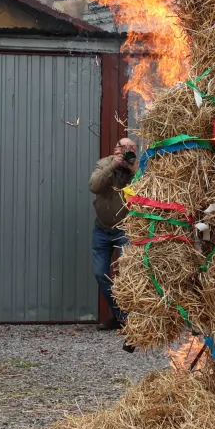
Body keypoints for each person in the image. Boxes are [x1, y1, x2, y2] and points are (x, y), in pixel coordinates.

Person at [89, 137, 138, 330]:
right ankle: (121, 316)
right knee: (101, 274)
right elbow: (94, 186)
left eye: (131, 148)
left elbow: (145, 193)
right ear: (115, 149)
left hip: (125, 229)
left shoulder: (138, 168)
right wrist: (113, 166)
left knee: (127, 275)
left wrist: (133, 169)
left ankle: (130, 319)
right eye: (122, 146)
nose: (126, 150)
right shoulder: (104, 164)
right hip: (101, 229)